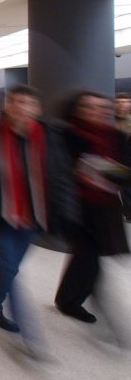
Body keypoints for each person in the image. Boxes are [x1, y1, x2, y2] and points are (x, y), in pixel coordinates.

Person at [0, 85, 69, 334]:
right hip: (0, 215)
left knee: (8, 266)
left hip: (33, 217)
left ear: (37, 109)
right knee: (9, 265)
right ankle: (30, 335)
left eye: (27, 103)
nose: (21, 107)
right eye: (16, 102)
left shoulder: (49, 139)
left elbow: (60, 178)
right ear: (6, 106)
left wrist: (64, 213)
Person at [54, 90, 130, 324]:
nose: (95, 112)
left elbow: (124, 170)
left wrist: (107, 171)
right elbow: (58, 169)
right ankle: (71, 301)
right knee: (89, 258)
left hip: (105, 207)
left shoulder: (115, 136)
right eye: (89, 107)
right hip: (76, 207)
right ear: (78, 109)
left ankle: (67, 298)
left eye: (100, 108)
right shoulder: (67, 135)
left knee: (88, 256)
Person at [115, 92, 131, 222]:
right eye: (119, 102)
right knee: (125, 188)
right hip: (118, 159)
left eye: (125, 102)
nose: (122, 105)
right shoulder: (111, 121)